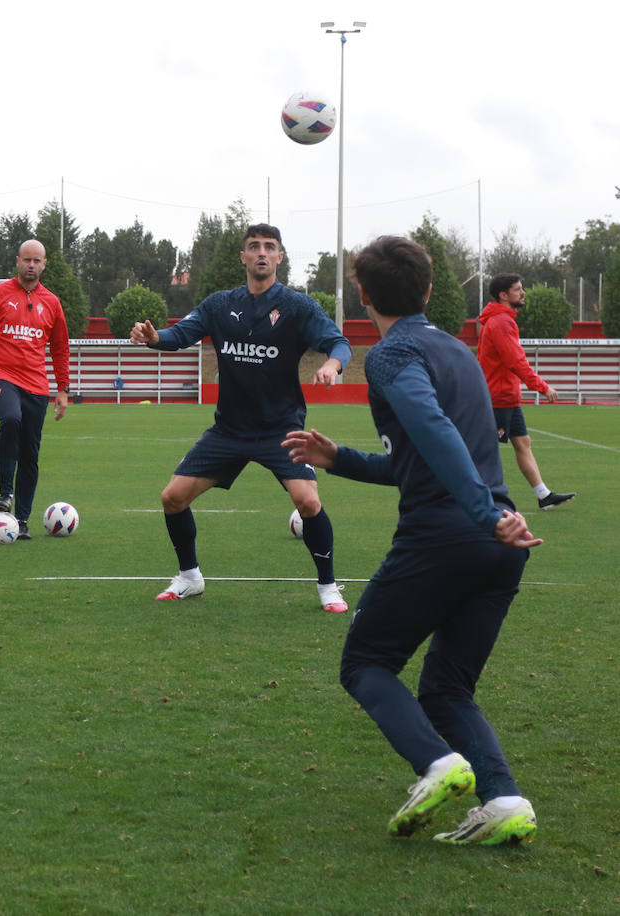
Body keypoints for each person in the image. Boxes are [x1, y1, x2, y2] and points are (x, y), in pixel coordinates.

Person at [284, 235, 540, 846]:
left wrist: (481, 510)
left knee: (366, 663)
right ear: (428, 290)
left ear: (364, 297)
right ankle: (504, 800)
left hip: (451, 535)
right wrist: (338, 458)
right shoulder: (456, 349)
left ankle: (438, 763)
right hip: (499, 548)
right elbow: (417, 456)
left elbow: (433, 429)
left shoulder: (392, 356)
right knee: (448, 687)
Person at [128, 224, 352, 612]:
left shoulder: (297, 307)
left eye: (270, 247)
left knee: (308, 503)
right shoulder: (219, 305)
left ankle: (328, 586)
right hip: (229, 430)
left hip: (280, 429)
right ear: (243, 258)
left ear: (280, 257)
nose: (262, 253)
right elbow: (181, 334)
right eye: (254, 247)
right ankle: (189, 577)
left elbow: (339, 342)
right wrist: (154, 338)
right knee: (172, 498)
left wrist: (333, 364)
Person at [0, 239, 71, 539]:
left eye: (36, 261)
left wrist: (62, 389)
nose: (31, 265)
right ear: (17, 261)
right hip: (2, 377)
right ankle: (5, 493)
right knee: (10, 419)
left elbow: (61, 347)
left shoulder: (52, 302)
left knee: (30, 453)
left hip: (37, 385)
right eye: (26, 259)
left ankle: (23, 521)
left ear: (44, 264)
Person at [477, 274, 575, 510]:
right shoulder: (501, 322)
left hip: (506, 396)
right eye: (518, 289)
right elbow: (515, 362)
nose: (523, 293)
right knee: (483, 450)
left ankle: (543, 496)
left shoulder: (502, 319)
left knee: (523, 443)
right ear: (503, 295)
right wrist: (543, 387)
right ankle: (472, 499)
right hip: (498, 397)